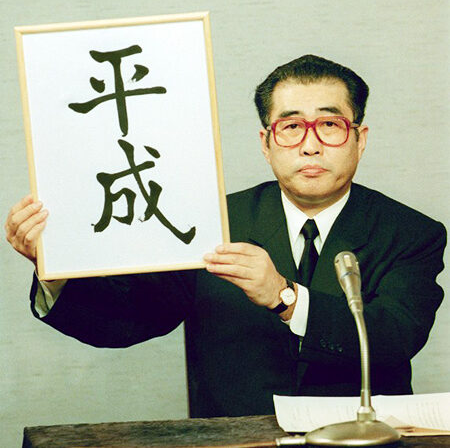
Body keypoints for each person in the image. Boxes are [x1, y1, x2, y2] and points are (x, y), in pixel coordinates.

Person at [5, 55, 446, 418]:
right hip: (234, 440)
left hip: (363, 439)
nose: (310, 145)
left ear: (359, 139)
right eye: (291, 127)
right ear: (265, 143)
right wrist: (55, 269)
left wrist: (286, 296)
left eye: (330, 125)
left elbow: (394, 337)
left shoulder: (411, 233)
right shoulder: (212, 223)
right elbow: (132, 318)